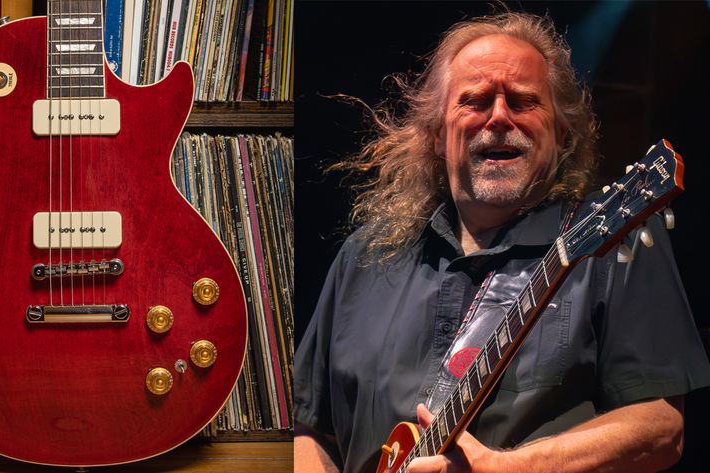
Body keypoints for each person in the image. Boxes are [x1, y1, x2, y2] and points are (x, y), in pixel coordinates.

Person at [294, 11, 710, 473]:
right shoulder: (366, 255)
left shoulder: (615, 242)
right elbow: (309, 430)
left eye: (523, 101)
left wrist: (512, 469)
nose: (497, 118)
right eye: (474, 101)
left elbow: (660, 428)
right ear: (437, 135)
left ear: (562, 133)